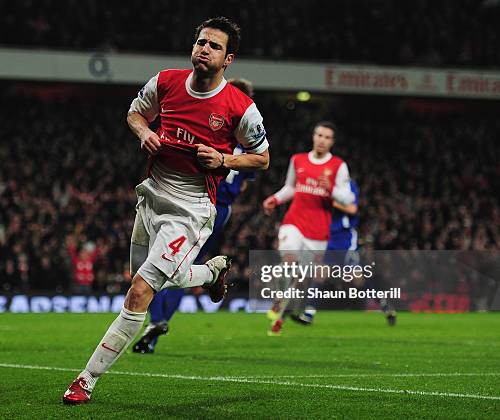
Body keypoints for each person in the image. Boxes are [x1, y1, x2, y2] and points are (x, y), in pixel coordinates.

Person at [63, 17, 270, 404]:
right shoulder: (166, 82)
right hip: (151, 196)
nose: (203, 48)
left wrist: (224, 158)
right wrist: (144, 132)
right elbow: (135, 113)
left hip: (191, 208)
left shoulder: (240, 108)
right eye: (200, 41)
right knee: (140, 276)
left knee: (140, 291)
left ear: (228, 59)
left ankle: (85, 380)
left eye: (213, 45)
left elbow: (262, 159)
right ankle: (210, 272)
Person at [132, 78, 257, 354]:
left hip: (198, 204)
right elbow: (247, 180)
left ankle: (157, 320)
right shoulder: (244, 148)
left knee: (166, 263)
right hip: (216, 209)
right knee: (177, 264)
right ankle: (159, 321)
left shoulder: (215, 132)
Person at [262, 121, 353, 335]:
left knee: (302, 280)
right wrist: (275, 198)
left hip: (318, 230)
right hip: (294, 221)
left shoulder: (338, 166)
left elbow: (347, 198)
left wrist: (330, 189)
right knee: (289, 259)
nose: (322, 140)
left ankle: (280, 319)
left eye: (327, 137)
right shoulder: (298, 160)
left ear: (332, 142)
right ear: (313, 136)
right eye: (319, 135)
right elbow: (291, 187)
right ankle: (279, 297)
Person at [291, 179, 397, 326]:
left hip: (346, 239)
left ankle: (385, 305)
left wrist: (331, 201)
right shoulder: (324, 186)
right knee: (320, 275)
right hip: (329, 238)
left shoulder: (349, 186)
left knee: (357, 279)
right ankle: (308, 314)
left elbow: (352, 209)